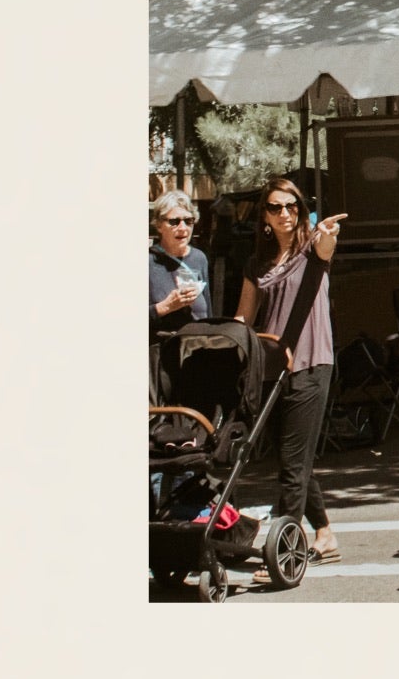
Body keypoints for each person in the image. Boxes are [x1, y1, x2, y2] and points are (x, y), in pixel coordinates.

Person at [232, 176, 347, 579]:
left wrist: (327, 234)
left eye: (292, 206)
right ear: (264, 216)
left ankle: (283, 550)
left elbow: (326, 249)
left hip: (312, 363)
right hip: (272, 367)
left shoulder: (312, 249)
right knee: (291, 459)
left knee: (293, 464)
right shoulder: (256, 263)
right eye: (276, 207)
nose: (285, 214)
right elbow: (242, 319)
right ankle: (326, 535)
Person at [149, 191, 212, 336]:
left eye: (188, 221)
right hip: (162, 351)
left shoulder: (199, 258)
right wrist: (166, 306)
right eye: (174, 221)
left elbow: (208, 311)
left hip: (197, 349)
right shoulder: (148, 262)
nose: (183, 228)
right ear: (159, 226)